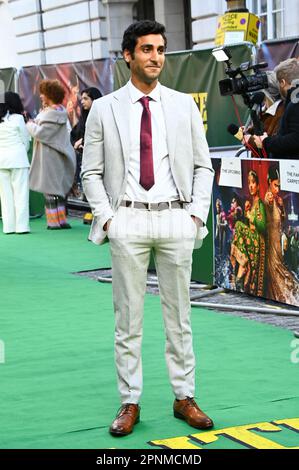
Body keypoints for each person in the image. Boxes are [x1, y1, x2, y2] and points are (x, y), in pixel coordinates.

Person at [81, 20, 215, 436]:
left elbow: (202, 166)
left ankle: (184, 396)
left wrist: (194, 215)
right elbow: (91, 172)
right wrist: (109, 219)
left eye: (160, 49)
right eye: (147, 50)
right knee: (128, 318)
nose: (156, 57)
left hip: (175, 217)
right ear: (128, 55)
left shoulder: (183, 105)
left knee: (180, 316)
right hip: (128, 219)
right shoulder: (104, 108)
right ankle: (130, 401)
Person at [26, 79, 76, 230]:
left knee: (49, 190)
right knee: (58, 190)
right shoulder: (60, 112)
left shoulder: (50, 114)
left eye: (43, 93)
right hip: (58, 155)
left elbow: (42, 134)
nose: (41, 96)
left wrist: (29, 124)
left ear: (49, 95)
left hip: (48, 156)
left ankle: (53, 221)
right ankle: (61, 219)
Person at [264, 165, 299, 304]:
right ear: (269, 182)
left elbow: (282, 220)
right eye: (275, 185)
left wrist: (282, 207)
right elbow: (266, 213)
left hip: (278, 241)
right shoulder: (268, 197)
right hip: (272, 242)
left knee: (282, 269)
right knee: (277, 271)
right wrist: (271, 202)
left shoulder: (277, 199)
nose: (277, 189)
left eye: (279, 186)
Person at [251, 58, 299, 158]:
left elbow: (295, 139)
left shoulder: (295, 103)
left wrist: (266, 142)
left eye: (278, 82)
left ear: (283, 82)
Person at [230, 170, 266, 295]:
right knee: (239, 226)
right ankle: (242, 268)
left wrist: (250, 216)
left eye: (253, 183)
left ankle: (242, 268)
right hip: (251, 240)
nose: (251, 186)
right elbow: (249, 224)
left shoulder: (260, 204)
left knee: (239, 225)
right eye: (249, 183)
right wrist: (246, 213)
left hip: (257, 241)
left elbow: (262, 227)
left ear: (258, 185)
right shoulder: (251, 204)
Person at [0, 92, 30, 234]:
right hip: (18, 160)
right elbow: (26, 140)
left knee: (5, 196)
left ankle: (8, 227)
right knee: (21, 194)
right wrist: (22, 150)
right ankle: (22, 227)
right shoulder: (19, 118)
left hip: (1, 161)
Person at [70, 87, 102, 200]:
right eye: (82, 99)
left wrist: (83, 141)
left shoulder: (102, 116)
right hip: (85, 161)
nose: (82, 101)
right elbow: (74, 134)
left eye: (86, 98)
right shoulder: (84, 118)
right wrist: (79, 143)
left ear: (95, 99)